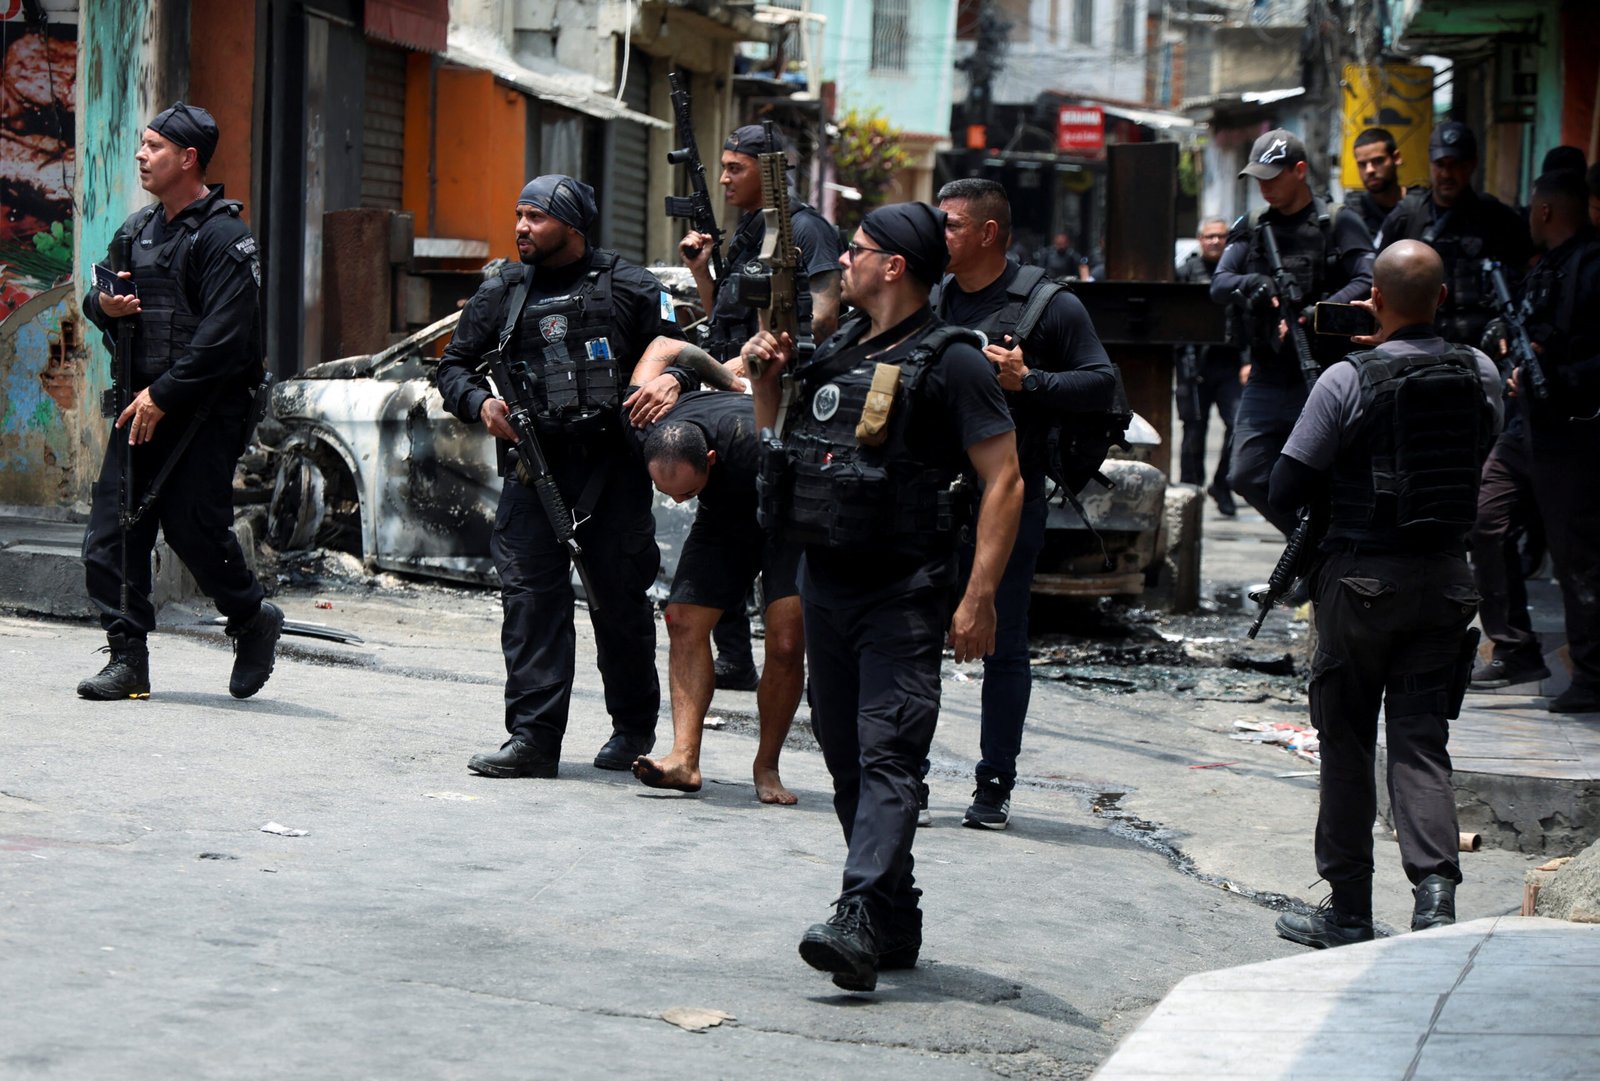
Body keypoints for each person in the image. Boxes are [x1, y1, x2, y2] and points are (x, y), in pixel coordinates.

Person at [743, 202, 1023, 991]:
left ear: (894, 266)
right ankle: (894, 914)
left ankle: (859, 911)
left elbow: (1004, 478)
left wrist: (980, 596)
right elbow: (783, 443)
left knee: (889, 751)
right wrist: (765, 380)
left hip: (904, 588)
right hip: (826, 580)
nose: (844, 261)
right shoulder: (839, 348)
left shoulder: (953, 361)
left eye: (857, 250)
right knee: (844, 759)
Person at [1268, 241, 1502, 948]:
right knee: (1420, 741)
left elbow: (1284, 485)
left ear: (1373, 297)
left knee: (1345, 742)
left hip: (1362, 585)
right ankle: (1435, 900)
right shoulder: (1481, 370)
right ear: (1442, 298)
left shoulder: (1346, 379)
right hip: (1448, 581)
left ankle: (1348, 912)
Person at [438, 174, 690, 779]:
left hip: (611, 471)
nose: (521, 228)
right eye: (518, 215)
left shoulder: (630, 286)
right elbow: (452, 367)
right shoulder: (503, 291)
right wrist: (480, 404)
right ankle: (533, 739)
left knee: (618, 603)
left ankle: (633, 728)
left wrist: (672, 380)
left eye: (536, 217)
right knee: (530, 604)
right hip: (534, 471)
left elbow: (683, 353)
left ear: (572, 226)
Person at [78, 102, 282, 702]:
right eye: (142, 145)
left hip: (202, 413)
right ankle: (128, 660)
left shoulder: (224, 237)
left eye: (155, 147)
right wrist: (103, 307)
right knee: (112, 536)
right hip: (138, 407)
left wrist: (164, 395)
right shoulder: (136, 232)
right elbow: (100, 297)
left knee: (195, 532)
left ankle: (252, 619)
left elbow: (224, 337)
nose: (141, 156)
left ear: (188, 158)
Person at [932, 177, 1116, 828]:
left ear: (988, 233)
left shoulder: (1048, 304)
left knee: (1003, 642)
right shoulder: (932, 295)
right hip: (928, 495)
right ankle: (907, 773)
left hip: (1008, 496)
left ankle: (993, 785)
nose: (939, 234)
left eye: (951, 224)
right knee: (915, 637)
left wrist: (1029, 380)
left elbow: (1101, 383)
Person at [677, 123, 842, 694]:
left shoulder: (804, 230)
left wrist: (767, 358)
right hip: (731, 395)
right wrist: (702, 272)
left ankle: (806, 669)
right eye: (722, 167)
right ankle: (733, 655)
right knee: (724, 513)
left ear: (768, 173)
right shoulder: (751, 234)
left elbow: (824, 315)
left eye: (736, 168)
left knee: (777, 528)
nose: (725, 178)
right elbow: (722, 319)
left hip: (778, 400)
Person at [623, 388, 806, 804]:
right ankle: (684, 760)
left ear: (710, 459)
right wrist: (672, 374)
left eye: (687, 494)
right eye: (668, 494)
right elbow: (659, 356)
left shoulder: (752, 440)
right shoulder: (645, 427)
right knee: (682, 619)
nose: (677, 502)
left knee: (786, 640)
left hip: (791, 516)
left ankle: (767, 767)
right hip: (725, 518)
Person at [1212, 128, 1375, 535]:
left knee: (1329, 475)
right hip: (1268, 372)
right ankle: (1308, 545)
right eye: (1258, 178)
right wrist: (1255, 283)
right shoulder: (1252, 225)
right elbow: (1220, 283)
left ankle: (1323, 550)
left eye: (1272, 177)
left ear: (1299, 171)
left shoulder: (1337, 221)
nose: (1264, 187)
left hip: (1326, 372)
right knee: (1246, 473)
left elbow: (1369, 277)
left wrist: (1316, 312)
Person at [1514, 169, 1600, 713]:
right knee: (1488, 518)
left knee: (1577, 557)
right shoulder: (1547, 266)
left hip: (1574, 430)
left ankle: (1591, 675)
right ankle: (1515, 650)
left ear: (1545, 210)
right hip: (1532, 424)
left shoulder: (1590, 268)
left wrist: (1560, 376)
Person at [1378, 121, 1531, 348]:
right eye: (1440, 165)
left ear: (1472, 165)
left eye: (1456, 165)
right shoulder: (1407, 217)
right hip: (1418, 349)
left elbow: (1525, 280)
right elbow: (1380, 280)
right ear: (1430, 164)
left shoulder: (1498, 218)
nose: (1446, 174)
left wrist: (1504, 326)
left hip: (1480, 350)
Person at [1175, 217, 1249, 516]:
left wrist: (1248, 361)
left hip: (1229, 362)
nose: (1215, 241)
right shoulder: (1185, 272)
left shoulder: (1236, 272)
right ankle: (1189, 492)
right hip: (1194, 363)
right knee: (1193, 430)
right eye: (1209, 236)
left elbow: (1247, 318)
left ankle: (1221, 484)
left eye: (1221, 236)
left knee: (1238, 425)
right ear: (1200, 239)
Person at [1347, 128, 1406, 241]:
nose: (1369, 170)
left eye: (1378, 161)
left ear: (1396, 158)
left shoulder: (1421, 207)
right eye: (1362, 164)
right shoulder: (1352, 212)